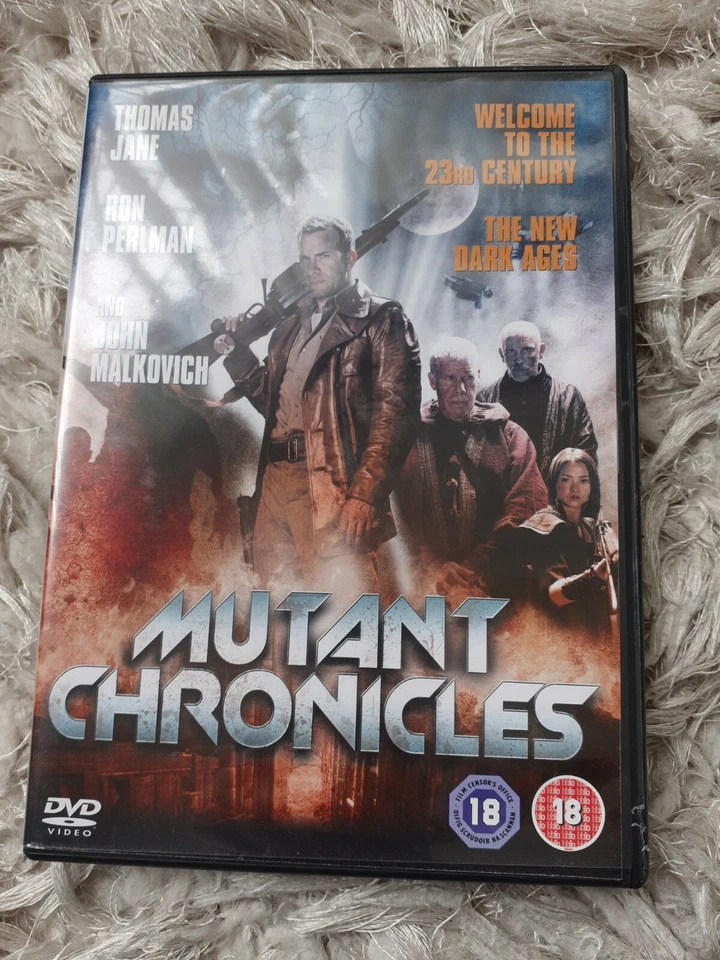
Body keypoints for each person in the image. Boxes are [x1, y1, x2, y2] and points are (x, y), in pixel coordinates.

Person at [221, 214, 421, 592]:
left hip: (333, 484)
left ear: (350, 258)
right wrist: (238, 356)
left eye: (324, 256)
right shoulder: (287, 329)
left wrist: (365, 495)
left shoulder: (381, 318)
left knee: (343, 606)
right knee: (274, 601)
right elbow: (276, 406)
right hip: (275, 481)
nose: (312, 268)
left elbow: (397, 416)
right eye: (305, 259)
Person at [396, 336, 547, 604]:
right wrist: (433, 567)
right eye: (450, 379)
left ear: (478, 376)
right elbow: (395, 513)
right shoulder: (405, 438)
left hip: (497, 586)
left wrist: (474, 567)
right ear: (432, 381)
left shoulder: (511, 437)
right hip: (419, 586)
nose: (461, 389)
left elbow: (525, 508)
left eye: (467, 377)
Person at [476, 320, 597, 477]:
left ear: (541, 351)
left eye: (527, 350)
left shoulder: (568, 397)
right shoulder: (485, 398)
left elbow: (586, 455)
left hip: (554, 491)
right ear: (501, 354)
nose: (519, 360)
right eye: (511, 351)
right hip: (502, 492)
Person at [516, 448, 618, 618]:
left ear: (592, 486)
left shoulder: (590, 528)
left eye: (583, 481)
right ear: (554, 484)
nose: (575, 488)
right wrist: (595, 575)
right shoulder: (545, 527)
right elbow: (551, 596)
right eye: (566, 480)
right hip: (555, 626)